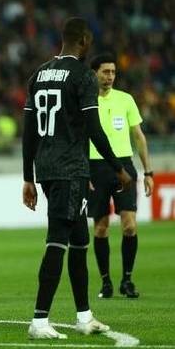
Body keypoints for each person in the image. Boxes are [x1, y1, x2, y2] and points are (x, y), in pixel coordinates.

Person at [22, 17, 132, 340]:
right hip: (69, 168)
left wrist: (28, 176)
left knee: (80, 240)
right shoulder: (83, 76)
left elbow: (29, 131)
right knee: (57, 241)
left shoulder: (39, 74)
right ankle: (39, 320)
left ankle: (84, 317)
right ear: (83, 41)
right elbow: (94, 128)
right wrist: (118, 167)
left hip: (50, 168)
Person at [87, 53, 153, 299]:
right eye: (105, 72)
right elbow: (78, 138)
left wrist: (148, 171)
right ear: (94, 73)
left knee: (130, 225)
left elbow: (139, 137)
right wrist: (83, 171)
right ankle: (106, 282)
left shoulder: (125, 100)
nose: (110, 76)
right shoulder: (85, 101)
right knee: (101, 228)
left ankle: (127, 280)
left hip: (124, 166)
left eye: (113, 72)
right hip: (95, 167)